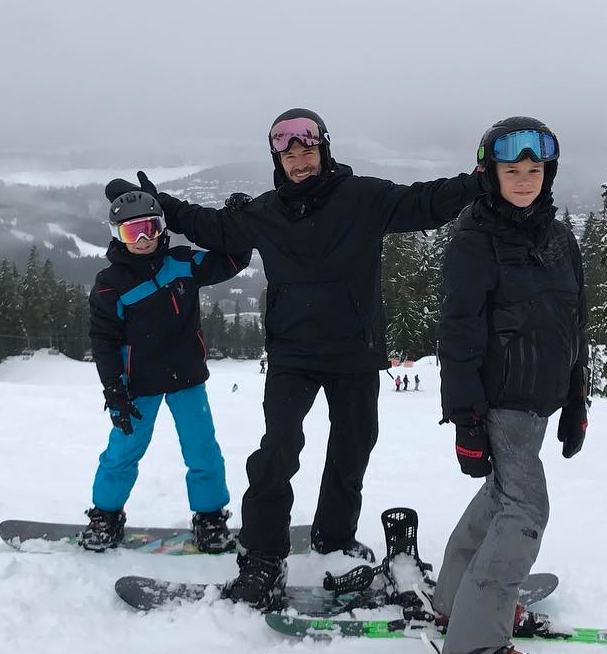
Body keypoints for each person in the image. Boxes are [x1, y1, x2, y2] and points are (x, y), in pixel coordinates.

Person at [136, 107, 487, 609]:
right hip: (293, 355)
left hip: (354, 353)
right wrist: (162, 205)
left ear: (324, 150)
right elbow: (211, 227)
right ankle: (262, 559)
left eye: (307, 151)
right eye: (289, 155)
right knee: (277, 454)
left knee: (352, 449)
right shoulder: (265, 212)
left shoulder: (362, 197)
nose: (299, 162)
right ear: (277, 160)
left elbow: (424, 203)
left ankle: (335, 536)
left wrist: (474, 183)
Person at [432, 116, 588, 654]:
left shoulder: (558, 238)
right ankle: (474, 650)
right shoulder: (475, 239)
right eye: (511, 169)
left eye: (534, 169)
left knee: (501, 497)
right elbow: (458, 335)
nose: (524, 180)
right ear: (490, 174)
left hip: (539, 403)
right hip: (498, 402)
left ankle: (456, 604)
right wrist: (467, 421)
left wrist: (576, 399)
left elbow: (574, 323)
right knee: (525, 511)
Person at [82, 184, 253, 553]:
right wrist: (114, 389)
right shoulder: (110, 285)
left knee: (202, 449)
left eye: (150, 228)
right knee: (123, 452)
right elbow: (104, 341)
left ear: (162, 227)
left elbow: (234, 260)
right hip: (137, 385)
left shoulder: (181, 263)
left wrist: (240, 223)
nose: (144, 240)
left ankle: (209, 517)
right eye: (133, 232)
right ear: (117, 235)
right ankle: (105, 515)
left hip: (186, 377)